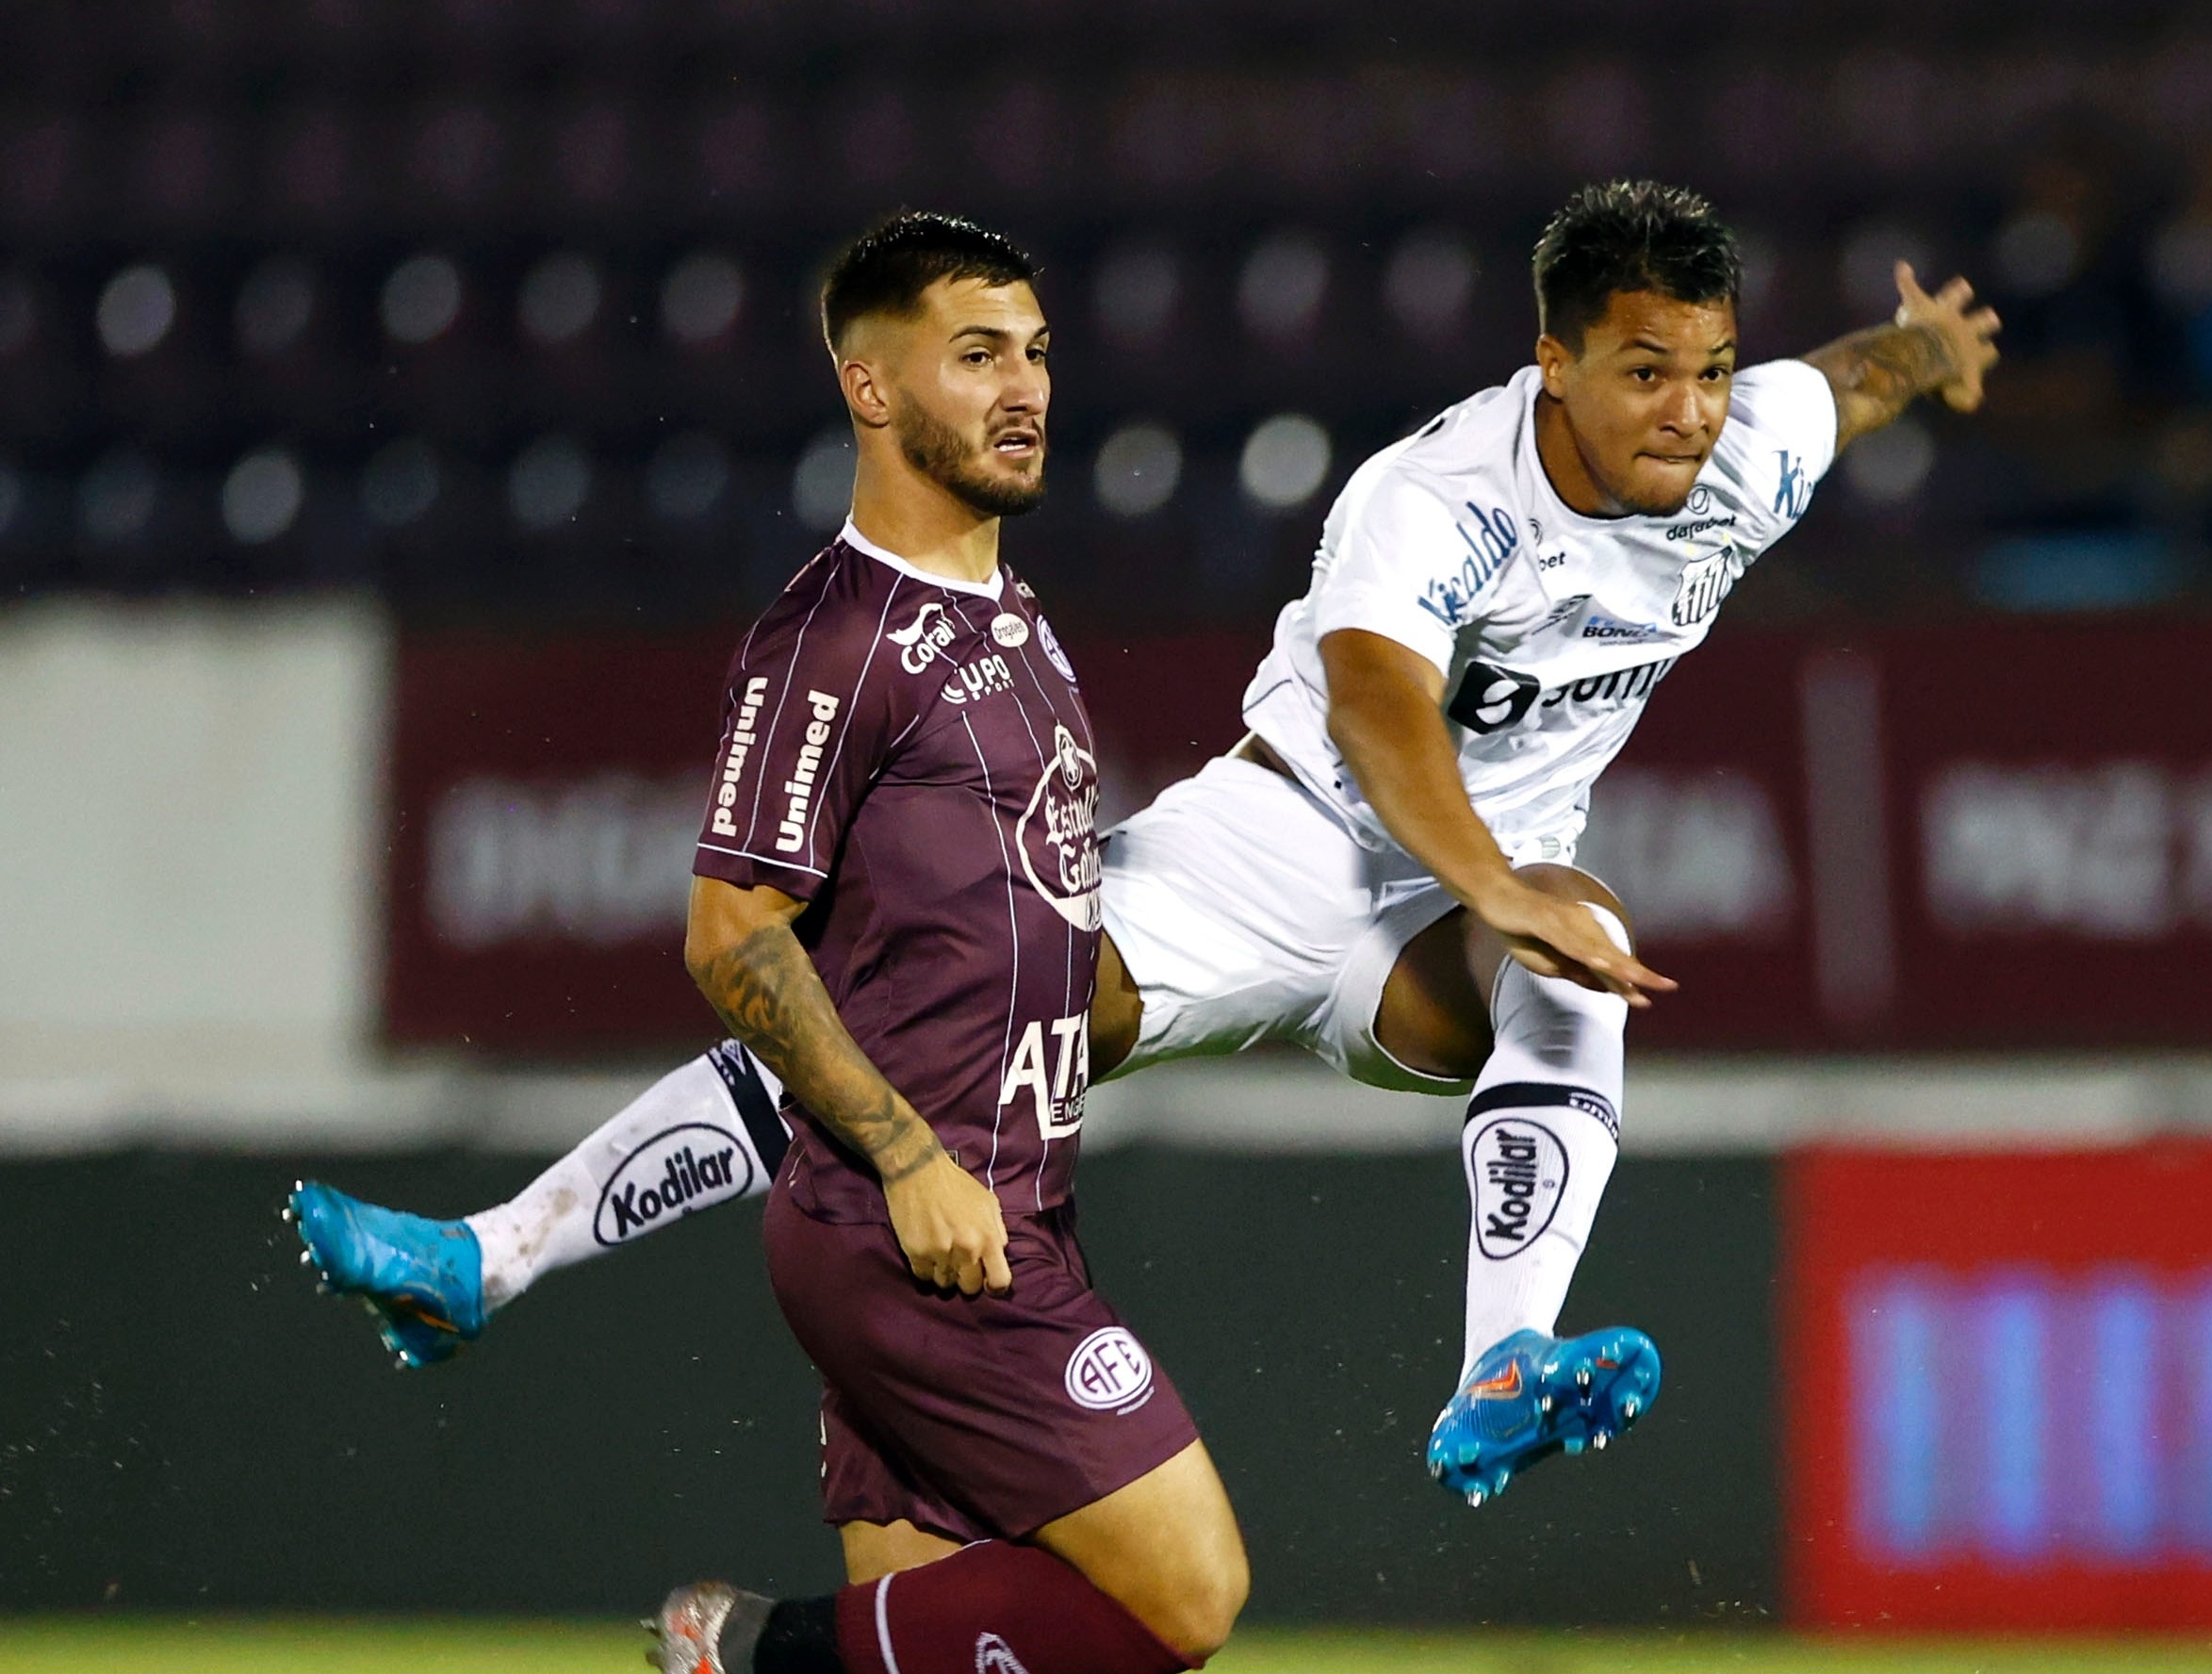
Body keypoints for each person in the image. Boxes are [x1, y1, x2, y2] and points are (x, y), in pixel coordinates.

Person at [290, 178, 1999, 1504]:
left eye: (1704, 370)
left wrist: (1926, 350)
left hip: (1437, 930)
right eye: (1644, 374)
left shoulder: (1739, 447)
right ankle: (488, 1256)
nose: (1686, 412)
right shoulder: (1432, 501)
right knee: (923, 1028)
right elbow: (1384, 713)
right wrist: (1487, 877)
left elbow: (1837, 387)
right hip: (1278, 842)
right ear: (1549, 362)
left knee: (1578, 939)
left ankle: (1500, 1365)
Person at [529, 212, 1248, 1674]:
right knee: (1183, 1592)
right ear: (870, 384)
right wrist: (915, 1149)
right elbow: (731, 934)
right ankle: (739, 1644)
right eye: (970, 350)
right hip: (916, 1226)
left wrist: (1101, 979)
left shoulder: (1018, 624)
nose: (1021, 383)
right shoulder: (828, 628)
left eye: (1032, 345)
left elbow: (1014, 915)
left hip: (1007, 1201)